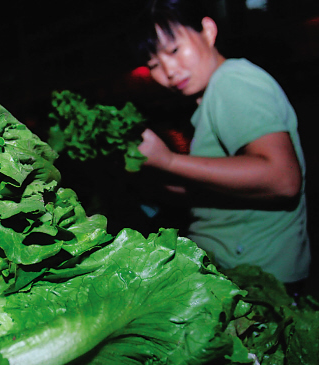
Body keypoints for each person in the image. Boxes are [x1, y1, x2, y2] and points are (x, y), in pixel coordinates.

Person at [131, 0, 311, 293]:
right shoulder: (212, 94)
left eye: (174, 50)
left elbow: (283, 178)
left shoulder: (232, 81)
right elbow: (219, 187)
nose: (169, 70)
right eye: (153, 64)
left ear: (208, 31)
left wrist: (169, 161)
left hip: (257, 280)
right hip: (239, 271)